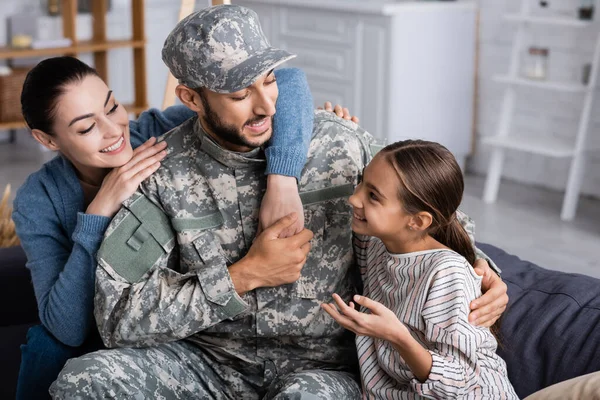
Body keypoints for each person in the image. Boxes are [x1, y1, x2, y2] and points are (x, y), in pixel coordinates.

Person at [50, 5, 508, 399]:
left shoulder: (341, 146)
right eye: (238, 94)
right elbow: (117, 318)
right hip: (207, 366)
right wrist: (242, 276)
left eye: (268, 81)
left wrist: (482, 271)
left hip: (323, 371)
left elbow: (432, 218)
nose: (266, 106)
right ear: (190, 97)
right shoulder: (162, 175)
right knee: (82, 382)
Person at [12, 53, 320, 399]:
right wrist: (97, 215)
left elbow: (289, 81)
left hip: (175, 322)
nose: (114, 130)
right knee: (44, 345)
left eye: (112, 107)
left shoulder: (160, 133)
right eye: (87, 127)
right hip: (106, 326)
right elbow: (66, 328)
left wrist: (283, 174)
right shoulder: (38, 199)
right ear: (48, 140)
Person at [322, 140, 518, 398]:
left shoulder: (446, 274)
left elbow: (461, 385)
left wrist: (398, 337)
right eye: (362, 182)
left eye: (373, 196)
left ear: (417, 221)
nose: (353, 198)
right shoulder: (376, 243)